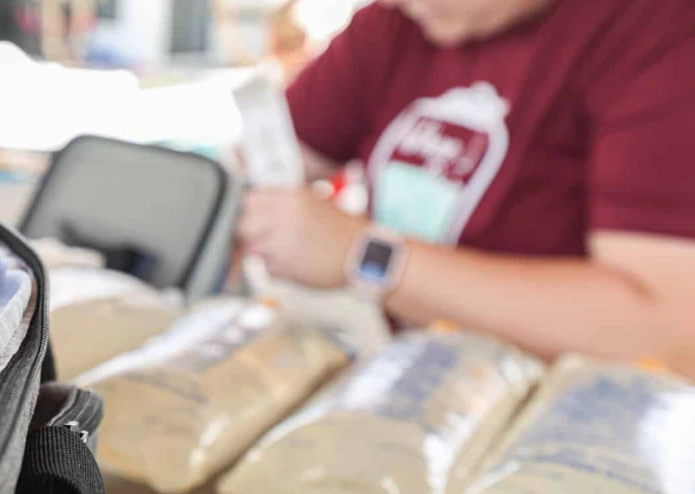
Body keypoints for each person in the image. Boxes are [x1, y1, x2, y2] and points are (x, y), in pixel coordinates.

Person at [236, 0, 695, 375]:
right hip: (424, 386)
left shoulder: (660, 32)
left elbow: (670, 336)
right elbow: (265, 161)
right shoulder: (396, 24)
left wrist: (368, 258)